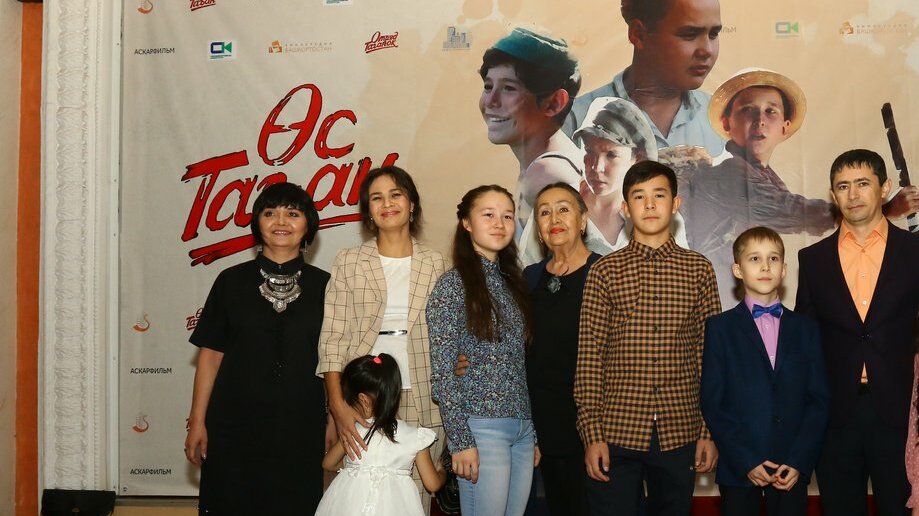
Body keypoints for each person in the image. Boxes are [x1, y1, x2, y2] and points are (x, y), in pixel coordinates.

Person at [575, 161, 721, 515]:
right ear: (626, 208)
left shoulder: (698, 269)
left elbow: (710, 356)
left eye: (659, 195)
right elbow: (590, 357)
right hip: (616, 429)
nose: (650, 204)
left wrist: (707, 431)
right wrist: (592, 434)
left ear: (676, 204)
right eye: (639, 197)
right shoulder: (604, 271)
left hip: (679, 428)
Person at [184, 182, 329, 515]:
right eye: (270, 213)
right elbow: (210, 357)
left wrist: (334, 419)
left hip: (301, 424)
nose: (281, 221)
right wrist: (197, 421)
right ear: (257, 223)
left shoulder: (327, 285)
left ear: (308, 224)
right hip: (233, 426)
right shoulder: (229, 281)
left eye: (293, 213)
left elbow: (333, 361)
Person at [795, 149, 919, 516]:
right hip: (835, 416)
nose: (853, 195)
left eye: (863, 183)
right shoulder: (813, 260)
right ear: (833, 195)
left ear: (885, 188)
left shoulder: (914, 251)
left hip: (901, 413)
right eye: (843, 186)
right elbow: (805, 342)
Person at [317, 166, 446, 513]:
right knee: (360, 496)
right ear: (368, 212)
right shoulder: (349, 261)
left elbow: (448, 335)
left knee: (413, 499)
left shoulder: (435, 263)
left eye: (396, 194)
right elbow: (332, 340)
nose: (387, 203)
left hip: (424, 395)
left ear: (412, 204)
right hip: (364, 399)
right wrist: (338, 406)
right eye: (377, 198)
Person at [701, 226, 829, 516]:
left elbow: (818, 401)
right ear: (738, 269)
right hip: (739, 467)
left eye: (773, 258)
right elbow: (713, 402)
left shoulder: (806, 329)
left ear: (784, 269)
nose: (765, 266)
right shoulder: (719, 329)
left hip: (791, 468)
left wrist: (799, 460)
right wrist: (746, 459)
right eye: (754, 259)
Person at [682, 68, 835, 305]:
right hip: (717, 301)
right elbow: (791, 211)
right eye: (747, 110)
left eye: (770, 111)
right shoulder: (729, 171)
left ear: (784, 127)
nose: (760, 120)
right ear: (727, 123)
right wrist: (866, 211)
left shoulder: (765, 175)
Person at [428, 185, 536, 516]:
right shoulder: (452, 285)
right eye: (488, 215)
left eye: (507, 216)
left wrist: (531, 432)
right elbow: (443, 374)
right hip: (482, 429)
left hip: (522, 428)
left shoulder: (513, 283)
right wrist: (461, 442)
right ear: (466, 222)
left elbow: (519, 364)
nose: (499, 223)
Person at [478, 27, 596, 264]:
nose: (491, 101)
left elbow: (567, 270)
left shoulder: (546, 173)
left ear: (554, 103)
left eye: (509, 88)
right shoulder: (547, 164)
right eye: (488, 86)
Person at [564, 0, 725, 159]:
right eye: (689, 35)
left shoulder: (725, 120)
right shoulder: (575, 119)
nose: (707, 50)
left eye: (713, 34)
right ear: (639, 34)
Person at [317, 354, 446, 516]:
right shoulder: (414, 437)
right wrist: (442, 471)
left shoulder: (354, 432)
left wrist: (354, 468)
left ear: (363, 400)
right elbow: (432, 484)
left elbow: (328, 464)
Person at [573, 96, 662, 249]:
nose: (597, 167)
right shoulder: (555, 207)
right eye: (589, 151)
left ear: (637, 158)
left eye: (611, 155)